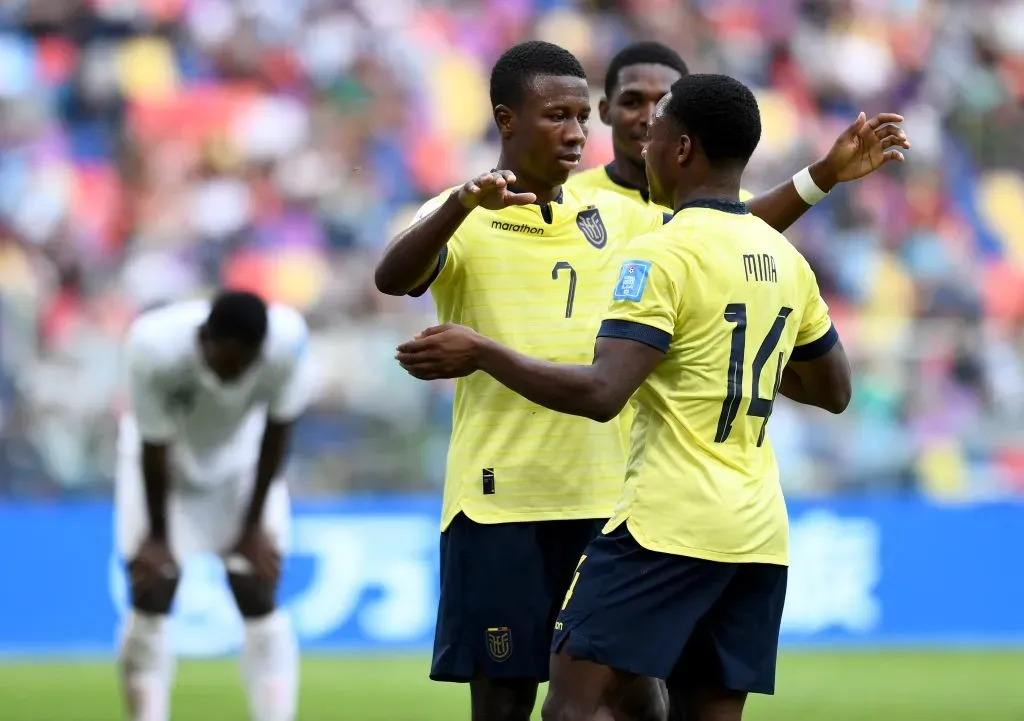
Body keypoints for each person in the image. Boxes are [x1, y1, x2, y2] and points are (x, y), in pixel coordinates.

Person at [374, 40, 896, 721]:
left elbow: (720, 239)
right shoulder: (468, 210)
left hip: (609, 497)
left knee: (631, 697)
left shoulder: (620, 218)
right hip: (501, 499)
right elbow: (393, 277)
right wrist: (461, 204)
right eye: (559, 115)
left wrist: (816, 179)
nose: (577, 131)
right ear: (508, 120)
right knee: (504, 698)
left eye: (578, 116)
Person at [116, 290, 313, 721]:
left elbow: (279, 432)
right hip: (162, 463)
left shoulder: (287, 344)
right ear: (204, 338)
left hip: (240, 463)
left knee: (256, 587)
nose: (238, 373)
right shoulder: (153, 347)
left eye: (248, 362)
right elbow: (153, 444)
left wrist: (252, 527)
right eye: (229, 360)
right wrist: (157, 539)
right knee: (152, 588)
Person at [568, 40, 908, 231]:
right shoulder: (572, 199)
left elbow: (728, 232)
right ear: (604, 111)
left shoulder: (736, 204)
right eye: (632, 101)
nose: (648, 117)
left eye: (663, 103)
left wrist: (826, 173)